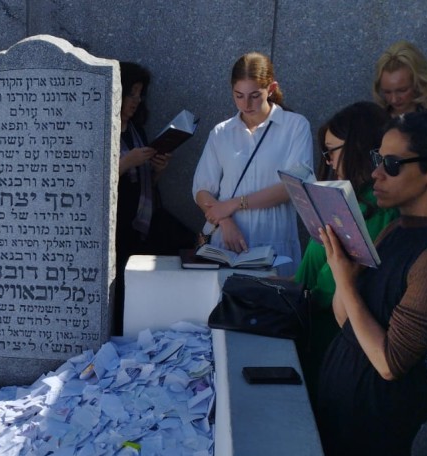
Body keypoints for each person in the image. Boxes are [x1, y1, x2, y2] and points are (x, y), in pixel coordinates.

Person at [318, 111, 427, 456]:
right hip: (347, 423)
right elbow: (344, 318)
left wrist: (347, 281)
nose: (375, 174)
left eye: (391, 164)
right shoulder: (395, 229)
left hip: (382, 446)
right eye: (375, 158)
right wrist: (343, 271)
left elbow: (389, 363)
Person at [295, 102, 397, 400]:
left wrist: (300, 298)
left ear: (358, 148)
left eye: (331, 151)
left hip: (339, 345)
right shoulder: (343, 196)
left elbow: (333, 283)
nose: (328, 161)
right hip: (317, 330)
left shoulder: (378, 209)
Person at [193, 52, 313, 276]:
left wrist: (234, 204)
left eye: (255, 95)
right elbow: (202, 190)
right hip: (226, 245)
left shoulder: (295, 126)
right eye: (238, 96)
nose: (246, 104)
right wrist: (225, 220)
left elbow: (292, 186)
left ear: (271, 88)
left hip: (275, 243)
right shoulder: (221, 132)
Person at [114, 62, 195, 333]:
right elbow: (92, 181)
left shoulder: (136, 130)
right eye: (131, 93)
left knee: (187, 245)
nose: (136, 101)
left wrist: (158, 169)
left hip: (142, 220)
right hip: (117, 226)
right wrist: (127, 162)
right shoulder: (103, 128)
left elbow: (144, 184)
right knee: (121, 290)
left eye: (140, 95)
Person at [373, 40, 427, 116]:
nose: (394, 100)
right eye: (387, 92)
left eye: (402, 90)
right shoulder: (375, 120)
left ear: (418, 83)